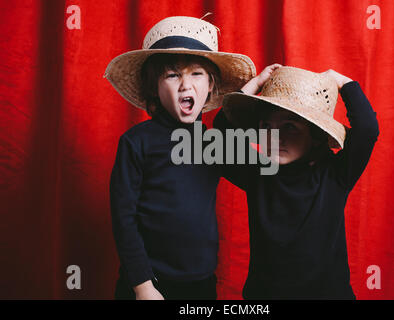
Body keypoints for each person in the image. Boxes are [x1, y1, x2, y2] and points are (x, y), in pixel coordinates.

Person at [104, 16, 255, 300]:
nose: (186, 84)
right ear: (155, 89)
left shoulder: (214, 143)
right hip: (148, 283)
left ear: (211, 85)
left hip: (200, 285)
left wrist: (247, 94)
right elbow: (123, 219)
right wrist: (143, 286)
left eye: (196, 74)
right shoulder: (136, 142)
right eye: (172, 75)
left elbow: (261, 175)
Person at [214, 65, 379, 299]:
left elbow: (367, 130)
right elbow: (222, 131)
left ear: (315, 136)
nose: (274, 137)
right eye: (267, 126)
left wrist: (339, 80)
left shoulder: (334, 175)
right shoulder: (258, 172)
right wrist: (258, 82)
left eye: (289, 127)